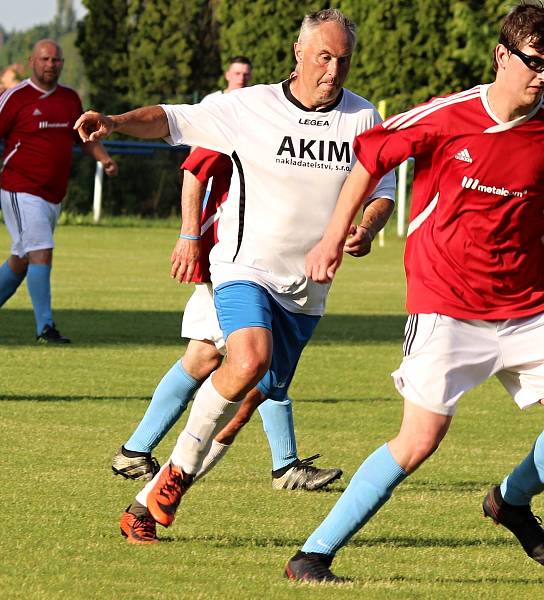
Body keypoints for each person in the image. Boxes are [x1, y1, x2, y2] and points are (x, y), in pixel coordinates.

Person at [285, 1, 544, 582]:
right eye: (533, 62)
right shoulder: (447, 115)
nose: (543, 75)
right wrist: (332, 239)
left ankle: (509, 501)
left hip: (528, 309)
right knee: (419, 440)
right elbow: (368, 161)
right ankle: (313, 555)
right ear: (503, 55)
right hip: (445, 305)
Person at [75, 8, 396, 544]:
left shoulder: (363, 119)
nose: (333, 70)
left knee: (251, 398)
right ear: (299, 53)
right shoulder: (250, 106)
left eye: (343, 60)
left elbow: (381, 193)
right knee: (246, 357)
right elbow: (171, 119)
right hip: (244, 266)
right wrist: (116, 122)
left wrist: (364, 228)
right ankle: (156, 465)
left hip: (308, 286)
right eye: (324, 57)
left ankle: (157, 493)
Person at [110, 57, 338, 493]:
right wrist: (189, 235)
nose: (245, 82)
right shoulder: (241, 117)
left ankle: (135, 451)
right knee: (252, 356)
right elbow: (194, 173)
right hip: (234, 259)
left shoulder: (287, 120)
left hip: (254, 260)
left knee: (207, 357)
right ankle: (283, 464)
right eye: (238, 76)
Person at [0, 40, 117, 344]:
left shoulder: (69, 99)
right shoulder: (14, 97)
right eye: (45, 59)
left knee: (23, 257)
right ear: (32, 61)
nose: (50, 64)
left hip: (53, 193)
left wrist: (103, 158)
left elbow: (84, 137)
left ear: (62, 63)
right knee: (41, 250)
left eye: (56, 60)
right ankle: (45, 327)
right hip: (20, 188)